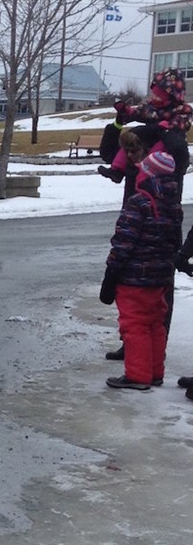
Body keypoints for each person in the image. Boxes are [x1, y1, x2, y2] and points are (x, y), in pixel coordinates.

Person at [98, 68, 191, 361]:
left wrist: (159, 130)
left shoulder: (171, 144)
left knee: (158, 295)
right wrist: (119, 121)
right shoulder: (139, 135)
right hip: (134, 215)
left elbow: (180, 155)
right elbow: (109, 151)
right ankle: (133, 343)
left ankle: (152, 353)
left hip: (161, 225)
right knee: (132, 290)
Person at [99, 148, 183, 390]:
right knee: (155, 323)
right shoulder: (174, 205)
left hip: (134, 277)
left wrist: (111, 273)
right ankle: (155, 372)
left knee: (134, 324)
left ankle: (138, 375)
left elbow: (123, 243)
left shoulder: (138, 203)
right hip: (161, 277)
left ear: (149, 175)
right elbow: (174, 242)